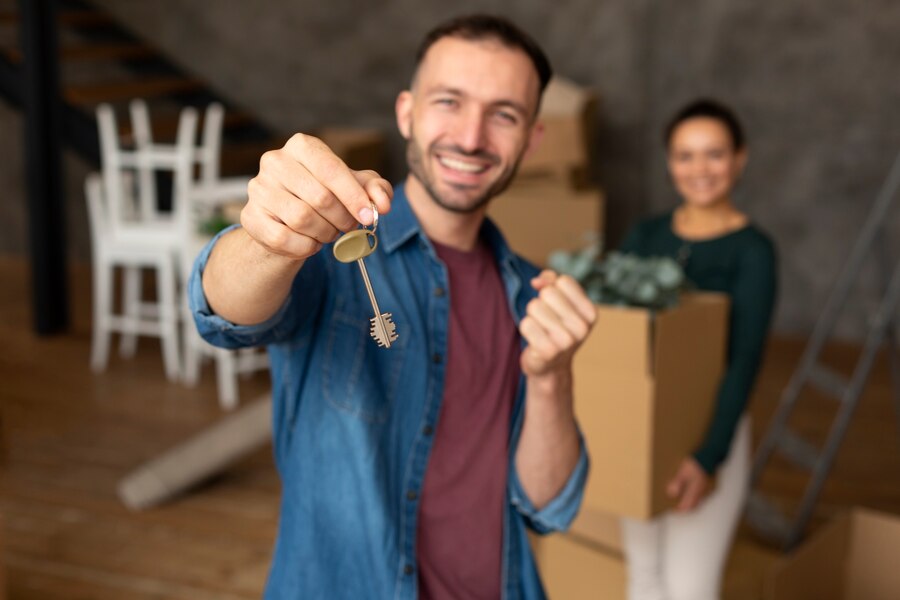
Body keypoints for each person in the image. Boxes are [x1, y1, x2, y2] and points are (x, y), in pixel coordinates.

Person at [189, 14, 596, 600]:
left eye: (503, 114)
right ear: (407, 111)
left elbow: (545, 507)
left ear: (532, 139)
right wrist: (267, 239)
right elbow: (222, 316)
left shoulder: (530, 293)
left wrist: (553, 378)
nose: (472, 136)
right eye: (449, 102)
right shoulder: (327, 250)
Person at [616, 99, 778, 600]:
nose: (699, 170)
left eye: (714, 155)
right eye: (685, 156)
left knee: (689, 589)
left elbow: (743, 360)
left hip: (711, 432)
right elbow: (618, 337)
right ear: (670, 163)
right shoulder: (645, 235)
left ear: (740, 159)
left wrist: (708, 458)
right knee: (642, 575)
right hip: (641, 428)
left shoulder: (752, 251)